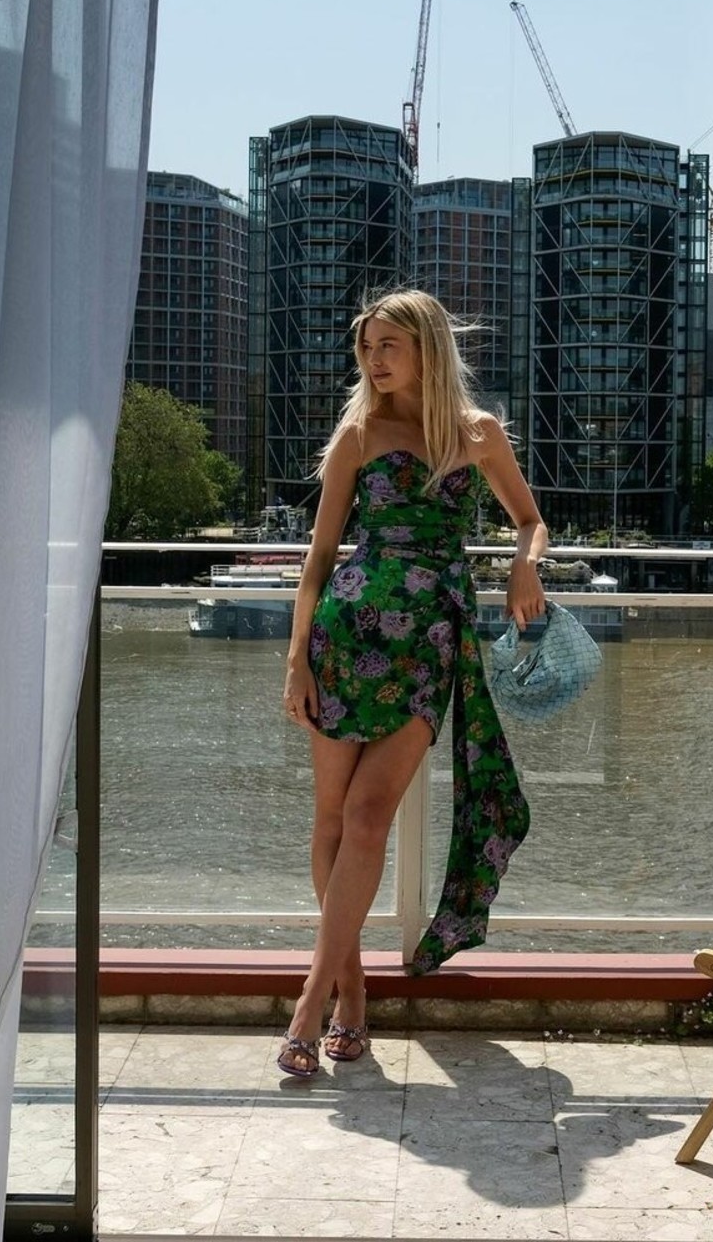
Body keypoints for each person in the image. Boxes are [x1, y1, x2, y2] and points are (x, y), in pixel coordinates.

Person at [279, 288, 548, 1077]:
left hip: (429, 645)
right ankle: (351, 993)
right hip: (345, 635)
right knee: (332, 820)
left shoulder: (477, 432)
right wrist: (296, 660)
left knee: (367, 817)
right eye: (367, 347)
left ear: (427, 347)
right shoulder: (358, 435)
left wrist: (524, 564)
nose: (374, 359)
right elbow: (318, 559)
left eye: (388, 344)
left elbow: (530, 518)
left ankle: (307, 1001)